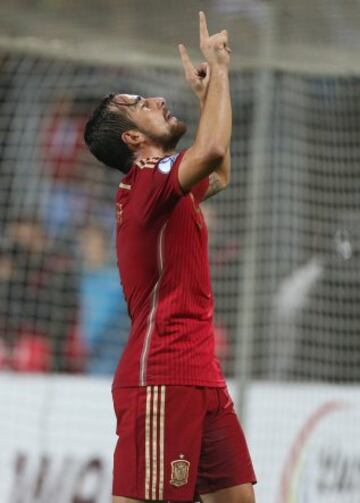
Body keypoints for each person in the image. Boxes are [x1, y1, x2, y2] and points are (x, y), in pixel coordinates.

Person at [84, 12, 256, 503]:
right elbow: (212, 149)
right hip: (162, 374)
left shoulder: (166, 189)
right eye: (140, 105)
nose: (158, 99)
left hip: (201, 374)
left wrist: (209, 99)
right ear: (132, 140)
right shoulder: (147, 181)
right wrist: (218, 71)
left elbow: (219, 173)